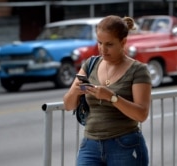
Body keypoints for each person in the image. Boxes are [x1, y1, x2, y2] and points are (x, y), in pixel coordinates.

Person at [63, 15, 151, 166]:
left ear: (123, 42)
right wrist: (75, 92)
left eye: (109, 44)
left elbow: (141, 114)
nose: (103, 49)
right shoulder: (90, 64)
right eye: (99, 43)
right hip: (90, 145)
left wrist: (112, 97)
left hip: (124, 145)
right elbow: (68, 105)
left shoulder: (138, 70)